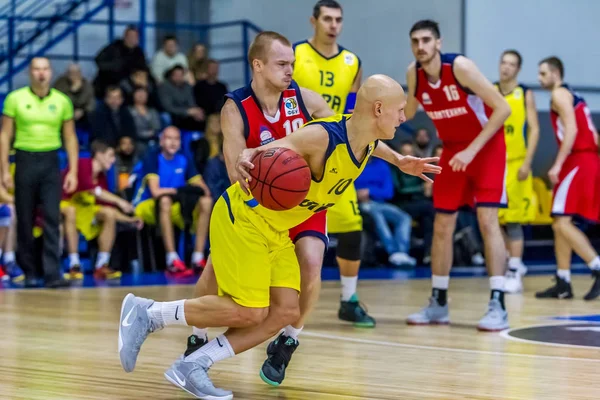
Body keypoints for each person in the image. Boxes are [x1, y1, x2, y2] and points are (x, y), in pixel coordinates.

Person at [117, 73, 441, 399]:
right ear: (379, 109)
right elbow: (277, 147)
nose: (404, 117)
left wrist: (400, 160)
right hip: (245, 218)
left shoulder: (366, 135)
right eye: (399, 110)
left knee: (287, 312)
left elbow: (372, 147)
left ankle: (193, 365)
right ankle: (149, 313)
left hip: (276, 229)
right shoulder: (322, 137)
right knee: (249, 312)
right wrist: (249, 154)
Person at [168, 31, 334, 388]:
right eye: (282, 64)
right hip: (260, 206)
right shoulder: (235, 107)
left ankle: (289, 339)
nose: (290, 70)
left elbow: (338, 133)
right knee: (213, 275)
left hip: (303, 200)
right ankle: (197, 335)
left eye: (292, 63)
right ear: (258, 65)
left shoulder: (305, 100)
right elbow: (234, 168)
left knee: (311, 263)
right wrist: (261, 167)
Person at [404, 20, 512, 331]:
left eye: (426, 40)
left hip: (487, 147)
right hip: (452, 150)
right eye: (415, 41)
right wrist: (375, 104)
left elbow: (503, 108)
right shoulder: (414, 73)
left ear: (438, 42)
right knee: (442, 224)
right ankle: (438, 303)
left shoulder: (460, 68)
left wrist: (472, 151)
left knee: (487, 221)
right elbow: (409, 112)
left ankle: (498, 303)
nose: (421, 46)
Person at [292, 0, 376, 337]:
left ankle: (348, 298)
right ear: (313, 20)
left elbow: (355, 113)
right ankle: (275, 298)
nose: (333, 25)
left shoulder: (352, 62)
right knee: (285, 234)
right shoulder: (295, 55)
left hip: (339, 159)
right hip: (298, 157)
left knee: (353, 228)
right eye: (327, 18)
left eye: (338, 19)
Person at [0, 57, 79, 288]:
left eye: (45, 69)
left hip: (50, 160)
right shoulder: (16, 98)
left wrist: (73, 170)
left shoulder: (62, 101)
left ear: (51, 72)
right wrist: (4, 169)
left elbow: (70, 137)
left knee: (53, 217)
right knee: (24, 216)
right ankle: (30, 271)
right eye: (36, 69)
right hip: (24, 158)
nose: (41, 73)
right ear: (29, 72)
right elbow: (5, 136)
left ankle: (53, 273)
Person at [535, 56, 600, 300]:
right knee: (559, 222)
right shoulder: (574, 95)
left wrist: (558, 165)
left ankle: (596, 266)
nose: (540, 79)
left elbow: (571, 130)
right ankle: (563, 281)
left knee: (562, 223)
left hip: (578, 160)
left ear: (554, 73)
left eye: (543, 74)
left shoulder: (559, 95)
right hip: (587, 159)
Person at [133, 126, 213, 275]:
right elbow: (156, 192)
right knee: (164, 200)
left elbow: (205, 190)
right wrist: (181, 191)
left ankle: (198, 257)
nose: (173, 143)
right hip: (145, 206)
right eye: (169, 138)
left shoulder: (184, 158)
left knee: (206, 202)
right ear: (161, 141)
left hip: (173, 203)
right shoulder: (152, 157)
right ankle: (172, 259)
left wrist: (191, 190)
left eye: (176, 139)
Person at [60, 140, 142, 280]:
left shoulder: (101, 177)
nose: (113, 159)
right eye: (110, 155)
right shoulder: (82, 163)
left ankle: (102, 265)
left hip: (85, 212)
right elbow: (93, 191)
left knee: (109, 214)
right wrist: (120, 201)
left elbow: (105, 205)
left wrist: (130, 219)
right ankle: (74, 265)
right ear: (98, 155)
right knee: (71, 211)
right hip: (63, 206)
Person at [494, 50, 540, 293]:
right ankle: (509, 263)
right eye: (504, 62)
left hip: (516, 164)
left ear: (518, 69)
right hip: (494, 164)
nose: (506, 68)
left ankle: (514, 270)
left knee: (513, 221)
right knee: (493, 220)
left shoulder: (525, 94)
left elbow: (534, 129)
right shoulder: (489, 90)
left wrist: (527, 162)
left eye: (512, 64)